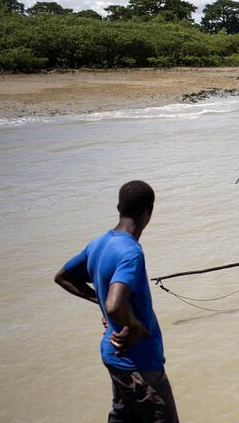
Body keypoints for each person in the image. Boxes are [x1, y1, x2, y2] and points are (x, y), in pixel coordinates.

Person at [53, 181, 179, 423]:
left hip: (114, 356)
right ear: (149, 212)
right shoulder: (131, 253)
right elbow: (113, 305)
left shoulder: (99, 243)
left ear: (118, 207)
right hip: (139, 363)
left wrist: (99, 301)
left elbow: (63, 277)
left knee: (123, 417)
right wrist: (133, 325)